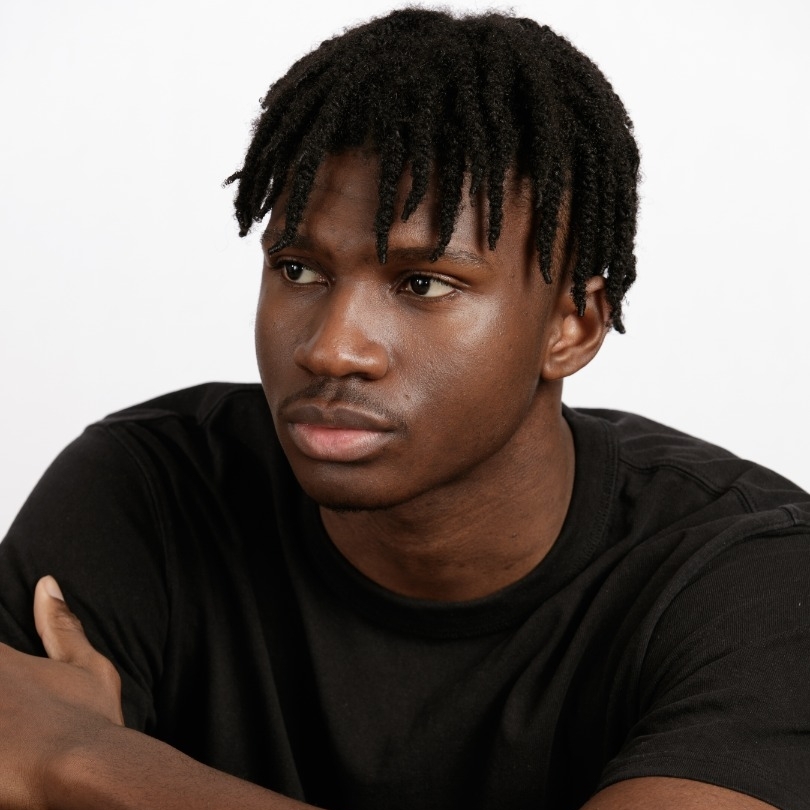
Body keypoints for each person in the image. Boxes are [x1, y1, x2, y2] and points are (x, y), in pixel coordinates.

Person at [0, 7, 808, 809]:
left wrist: (81, 761)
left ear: (574, 325)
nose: (331, 349)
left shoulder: (753, 577)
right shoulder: (145, 496)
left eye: (423, 283)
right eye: (299, 270)